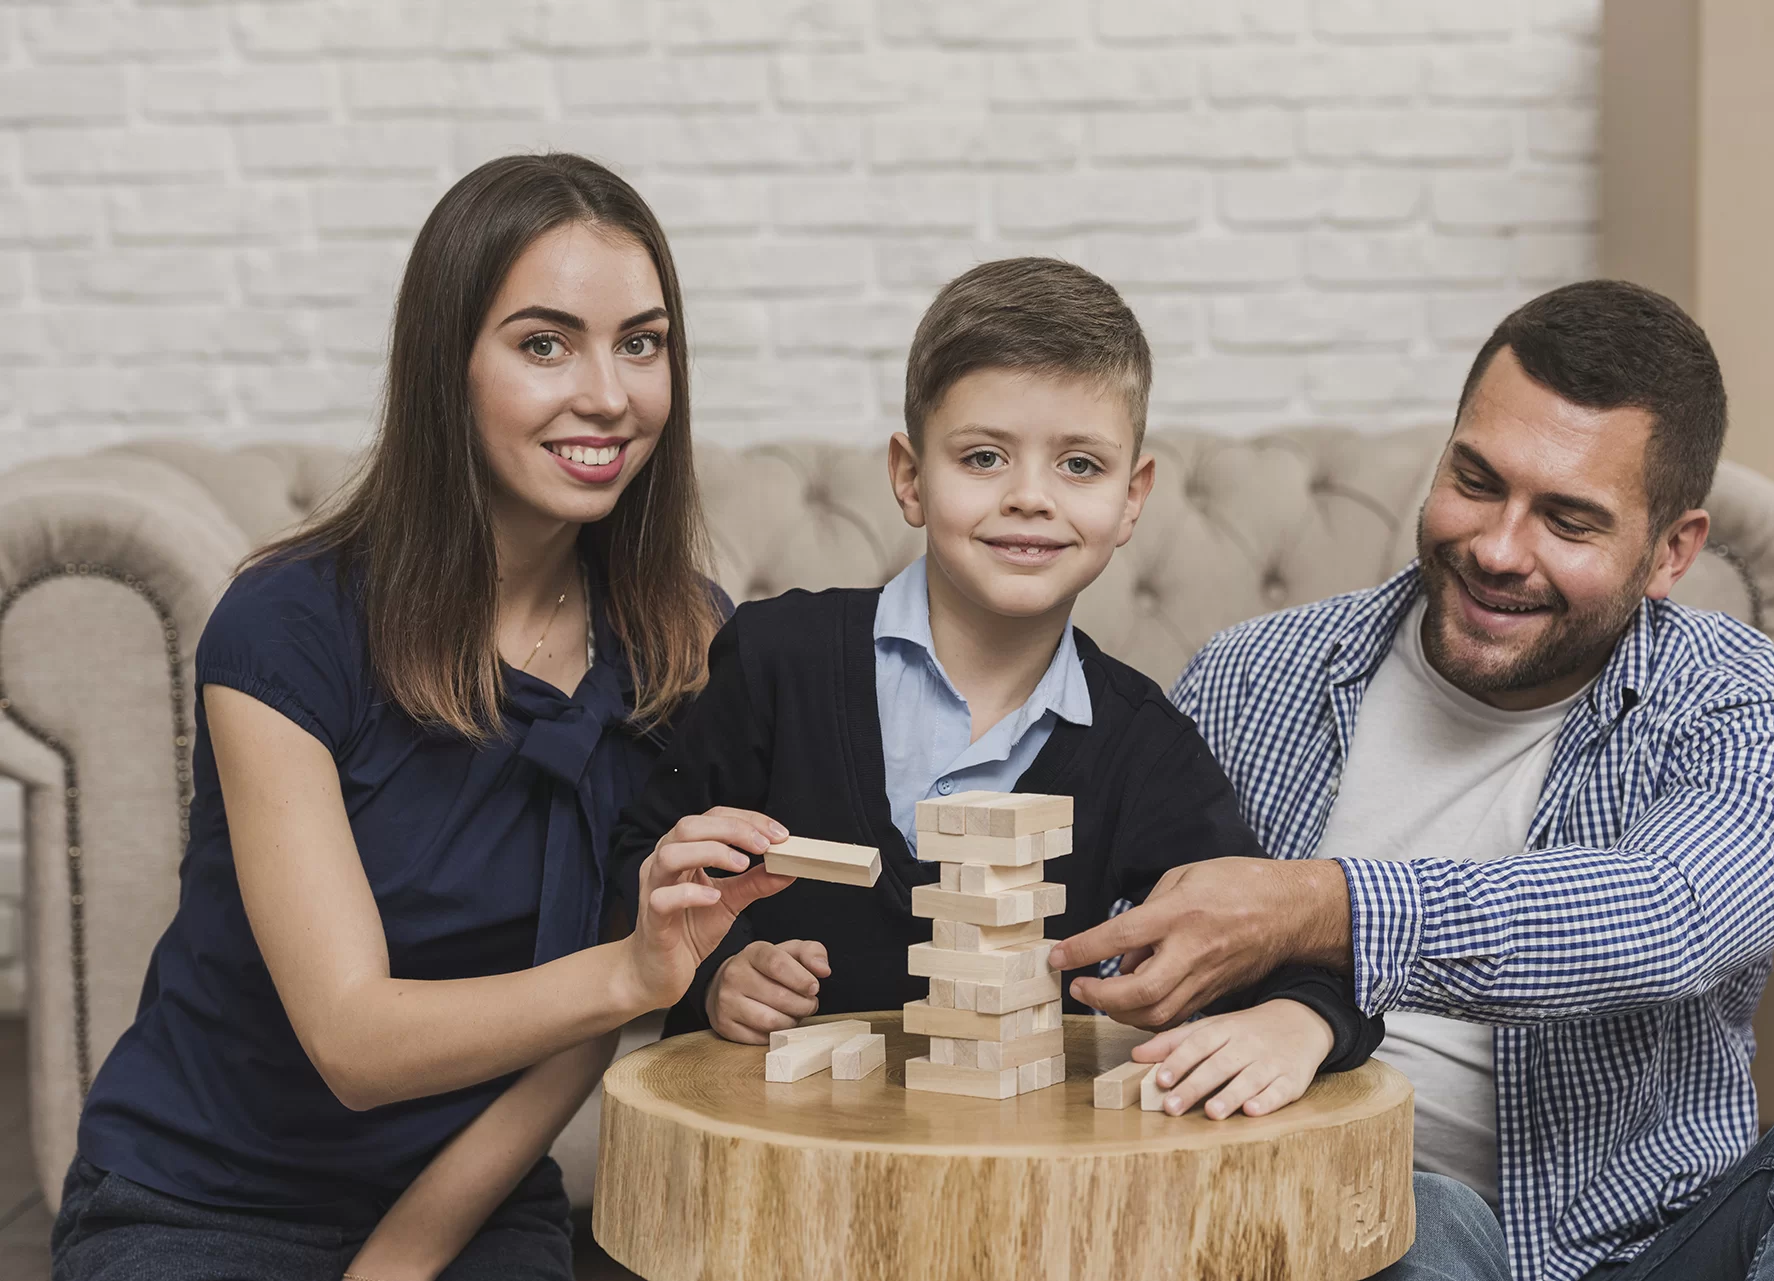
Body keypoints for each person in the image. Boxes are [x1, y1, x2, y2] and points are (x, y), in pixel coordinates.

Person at [1049, 280, 1774, 1279]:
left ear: (1670, 551)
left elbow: (1664, 918)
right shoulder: (1253, 678)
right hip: (1357, 1236)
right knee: (1420, 1213)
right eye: (1477, 480)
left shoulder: (1758, 716)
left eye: (1570, 520)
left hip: (1646, 1252)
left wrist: (1317, 906)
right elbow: (1105, 940)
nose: (1500, 549)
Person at [52, 154, 793, 1281]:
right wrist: (638, 974)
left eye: (641, 343)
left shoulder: (683, 643)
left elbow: (586, 1018)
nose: (608, 393)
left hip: (476, 1198)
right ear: (447, 363)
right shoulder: (286, 625)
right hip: (200, 1200)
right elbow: (353, 1042)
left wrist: (403, 1259)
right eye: (545, 343)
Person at [611, 258, 1382, 1115]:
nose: (1029, 498)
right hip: (789, 1173)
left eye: (1080, 466)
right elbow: (637, 862)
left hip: (1011, 1192)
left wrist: (1302, 1019)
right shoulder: (779, 658)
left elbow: (1279, 943)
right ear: (909, 477)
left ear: (1133, 500)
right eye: (983, 457)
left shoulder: (1142, 746)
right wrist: (718, 973)